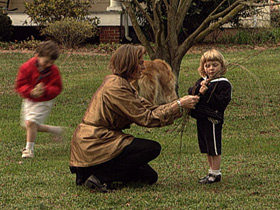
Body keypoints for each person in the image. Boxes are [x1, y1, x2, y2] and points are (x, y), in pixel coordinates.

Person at [69, 44, 199, 193]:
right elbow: (147, 118)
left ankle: (88, 173)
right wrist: (178, 104)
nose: (143, 67)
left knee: (149, 177)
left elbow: (149, 108)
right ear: (128, 64)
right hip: (95, 142)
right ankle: (99, 176)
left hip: (102, 139)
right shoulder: (116, 88)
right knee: (151, 148)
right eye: (140, 63)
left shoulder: (122, 84)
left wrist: (181, 105)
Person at [188, 49, 232, 184]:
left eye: (214, 65)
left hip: (212, 118)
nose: (211, 68)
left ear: (221, 66)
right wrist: (198, 89)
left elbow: (221, 102)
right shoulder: (203, 81)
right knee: (207, 146)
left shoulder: (223, 84)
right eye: (207, 66)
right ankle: (210, 171)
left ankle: (216, 173)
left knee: (214, 146)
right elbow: (192, 92)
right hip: (201, 118)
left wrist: (206, 93)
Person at [15, 40, 63, 158]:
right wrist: (31, 92)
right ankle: (54, 130)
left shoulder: (53, 71)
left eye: (51, 62)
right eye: (46, 61)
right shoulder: (26, 67)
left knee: (31, 123)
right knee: (28, 125)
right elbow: (20, 85)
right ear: (37, 56)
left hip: (44, 101)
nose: (49, 64)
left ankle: (28, 150)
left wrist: (45, 90)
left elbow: (57, 87)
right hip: (30, 100)